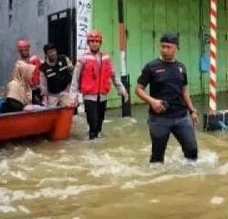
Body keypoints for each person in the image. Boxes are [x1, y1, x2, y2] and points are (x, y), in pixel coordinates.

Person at [136, 32, 199, 163]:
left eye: (168, 47)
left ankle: (189, 178)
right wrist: (152, 101)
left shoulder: (181, 67)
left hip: (181, 117)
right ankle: (157, 181)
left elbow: (185, 91)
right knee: (157, 157)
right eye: (162, 46)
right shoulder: (151, 67)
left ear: (176, 48)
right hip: (159, 119)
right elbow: (138, 89)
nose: (165, 50)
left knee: (192, 150)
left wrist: (192, 110)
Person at [69, 29, 128, 140]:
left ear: (100, 43)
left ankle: (97, 145)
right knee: (93, 124)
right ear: (88, 43)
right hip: (89, 96)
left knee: (99, 124)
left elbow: (114, 76)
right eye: (92, 41)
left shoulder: (106, 58)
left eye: (96, 41)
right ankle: (92, 144)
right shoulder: (83, 59)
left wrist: (122, 90)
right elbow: (75, 79)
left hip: (102, 97)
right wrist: (73, 97)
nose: (94, 43)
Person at [38, 42, 74, 107]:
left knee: (69, 108)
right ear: (46, 54)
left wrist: (71, 90)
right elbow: (43, 85)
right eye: (50, 52)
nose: (53, 54)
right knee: (51, 112)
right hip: (52, 94)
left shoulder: (64, 59)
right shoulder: (43, 67)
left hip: (65, 91)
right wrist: (45, 98)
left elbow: (72, 72)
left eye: (54, 51)